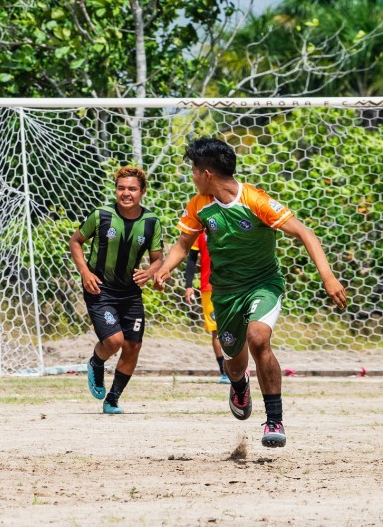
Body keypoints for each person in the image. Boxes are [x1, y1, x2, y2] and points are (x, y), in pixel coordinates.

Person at [152, 136, 347, 448]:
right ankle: (239, 384)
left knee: (258, 338)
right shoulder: (199, 206)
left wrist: (328, 277)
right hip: (225, 294)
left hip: (262, 285)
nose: (191, 176)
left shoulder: (255, 201)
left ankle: (274, 420)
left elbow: (304, 232)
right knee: (236, 363)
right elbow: (182, 246)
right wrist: (164, 268)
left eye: (192, 170)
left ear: (206, 173)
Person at [68, 165, 164, 414]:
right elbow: (75, 242)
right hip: (100, 289)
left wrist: (151, 272)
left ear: (142, 191)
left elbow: (157, 258)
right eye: (121, 188)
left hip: (130, 293)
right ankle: (96, 361)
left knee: (133, 346)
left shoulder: (151, 222)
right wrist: (85, 273)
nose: (126, 193)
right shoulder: (101, 215)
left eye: (132, 188)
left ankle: (112, 399)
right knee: (114, 340)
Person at [183, 232, 230, 383]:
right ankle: (225, 372)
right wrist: (189, 285)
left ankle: (240, 368)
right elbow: (191, 259)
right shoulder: (199, 230)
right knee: (217, 330)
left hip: (235, 285)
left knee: (239, 327)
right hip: (209, 287)